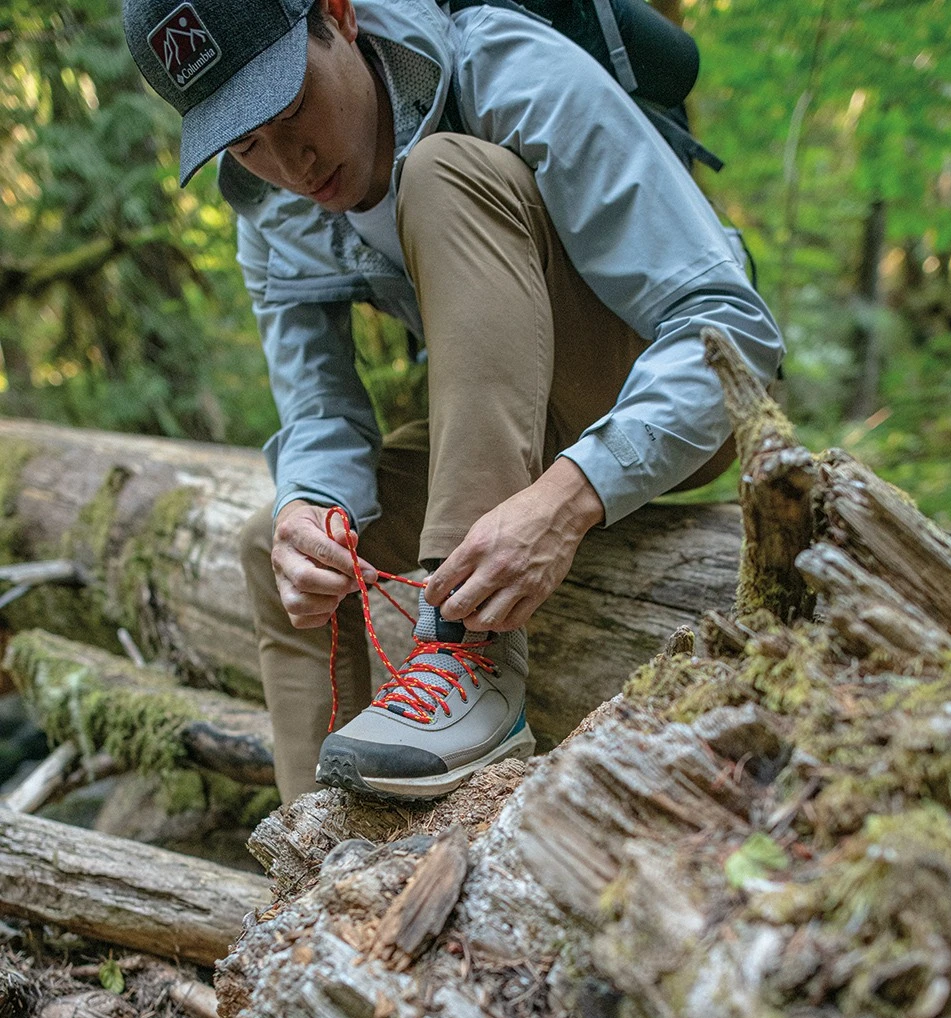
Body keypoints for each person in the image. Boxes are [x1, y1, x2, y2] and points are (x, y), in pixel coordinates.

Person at [123, 0, 784, 804]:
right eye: (245, 142)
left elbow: (733, 330)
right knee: (282, 554)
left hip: (656, 394)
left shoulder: (506, 70)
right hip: (511, 428)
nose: (291, 164)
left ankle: (471, 655)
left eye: (290, 106)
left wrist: (566, 500)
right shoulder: (269, 210)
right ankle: (307, 862)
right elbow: (323, 415)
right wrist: (310, 508)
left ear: (338, 14)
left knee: (441, 174)